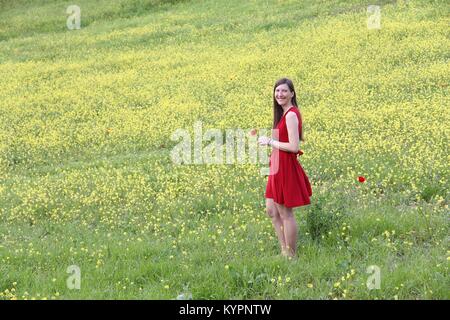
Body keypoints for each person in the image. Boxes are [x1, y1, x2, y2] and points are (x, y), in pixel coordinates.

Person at [258, 77, 313, 259]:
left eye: (284, 91)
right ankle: (284, 251)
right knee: (271, 210)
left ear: (292, 94)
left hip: (285, 168)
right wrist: (272, 153)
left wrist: (271, 142)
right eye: (277, 91)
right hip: (277, 166)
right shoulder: (282, 114)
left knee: (285, 212)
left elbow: (294, 147)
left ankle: (291, 254)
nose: (280, 94)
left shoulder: (290, 114)